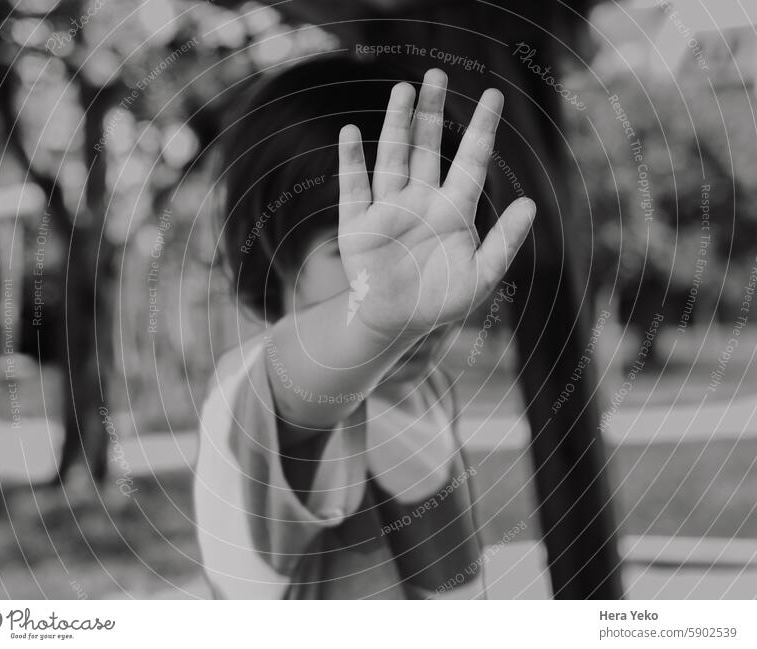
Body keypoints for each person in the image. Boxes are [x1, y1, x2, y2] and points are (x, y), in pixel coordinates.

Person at [194, 56, 535, 599]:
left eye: (432, 245)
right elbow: (302, 382)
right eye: (346, 250)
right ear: (269, 251)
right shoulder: (254, 390)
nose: (410, 281)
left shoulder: (425, 387)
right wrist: (375, 319)